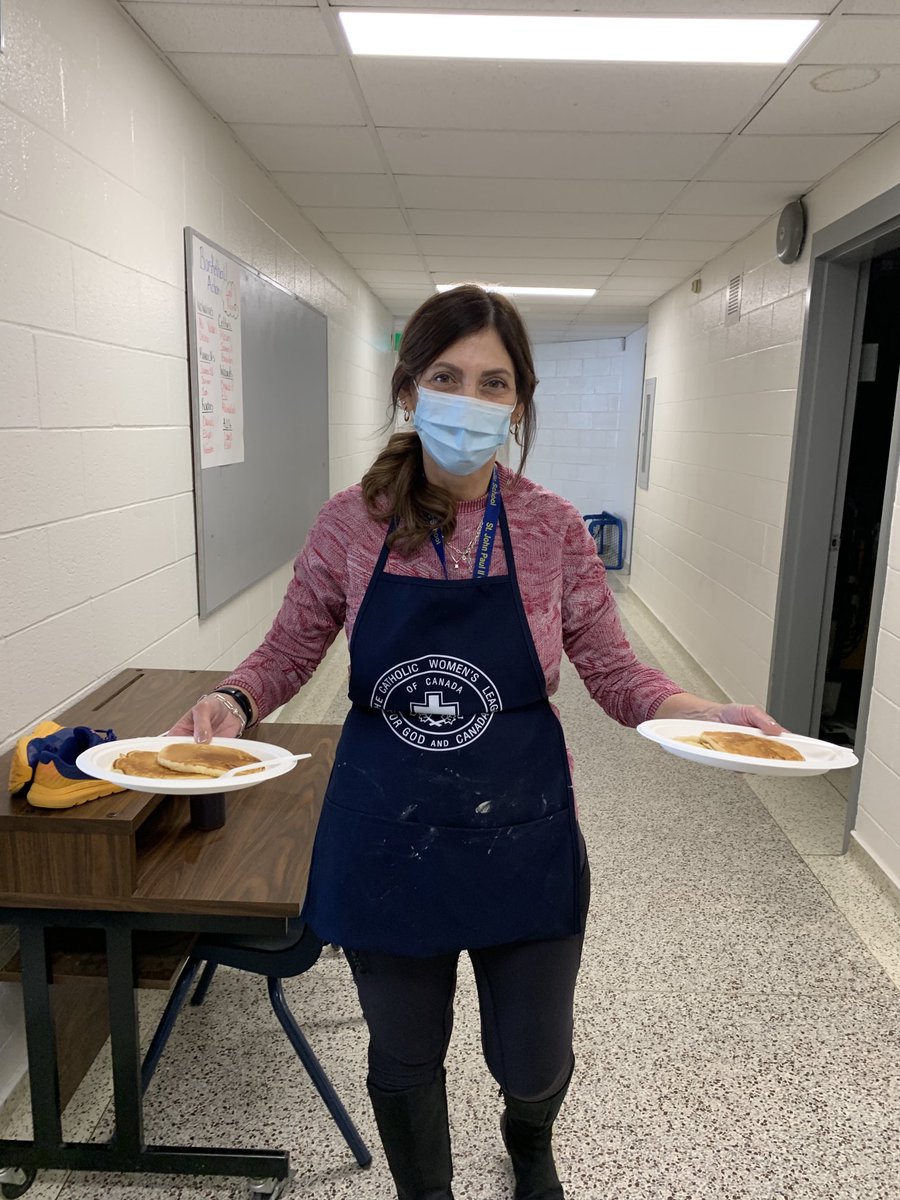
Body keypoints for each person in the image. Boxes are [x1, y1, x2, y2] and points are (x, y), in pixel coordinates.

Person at [169, 284, 785, 1200]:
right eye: (448, 376)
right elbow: (291, 644)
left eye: (493, 382)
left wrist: (701, 710)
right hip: (389, 831)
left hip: (522, 831)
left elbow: (617, 674)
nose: (469, 399)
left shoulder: (553, 530)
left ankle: (529, 1140)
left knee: (536, 1057)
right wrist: (232, 697)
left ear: (519, 403)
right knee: (405, 1052)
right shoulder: (351, 523)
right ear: (410, 389)